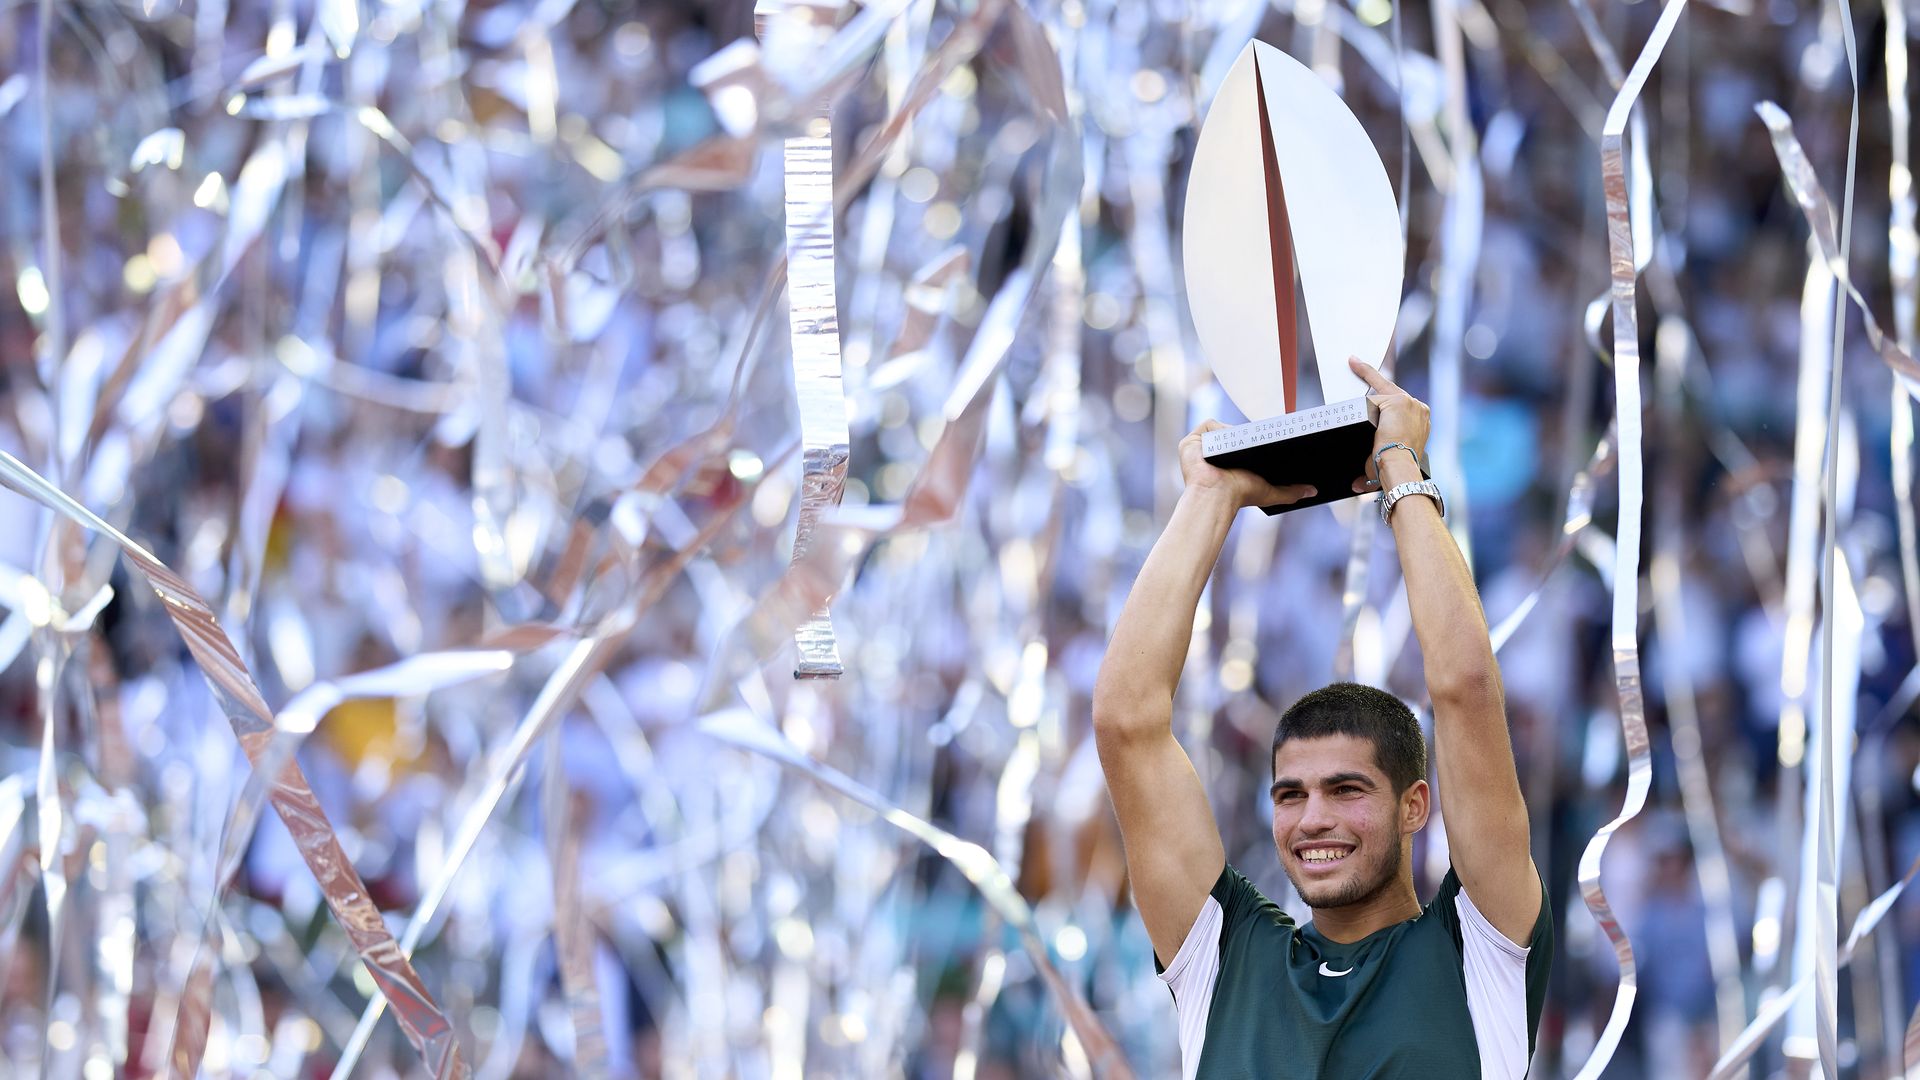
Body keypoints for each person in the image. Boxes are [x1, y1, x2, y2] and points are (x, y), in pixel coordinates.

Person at [1092, 358, 1552, 1079]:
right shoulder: (1223, 957)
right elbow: (1126, 721)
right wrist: (1208, 497)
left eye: (1346, 790)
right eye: (1290, 794)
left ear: (1414, 805)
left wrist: (1399, 467)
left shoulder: (1481, 947)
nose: (1312, 820)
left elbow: (1463, 687)